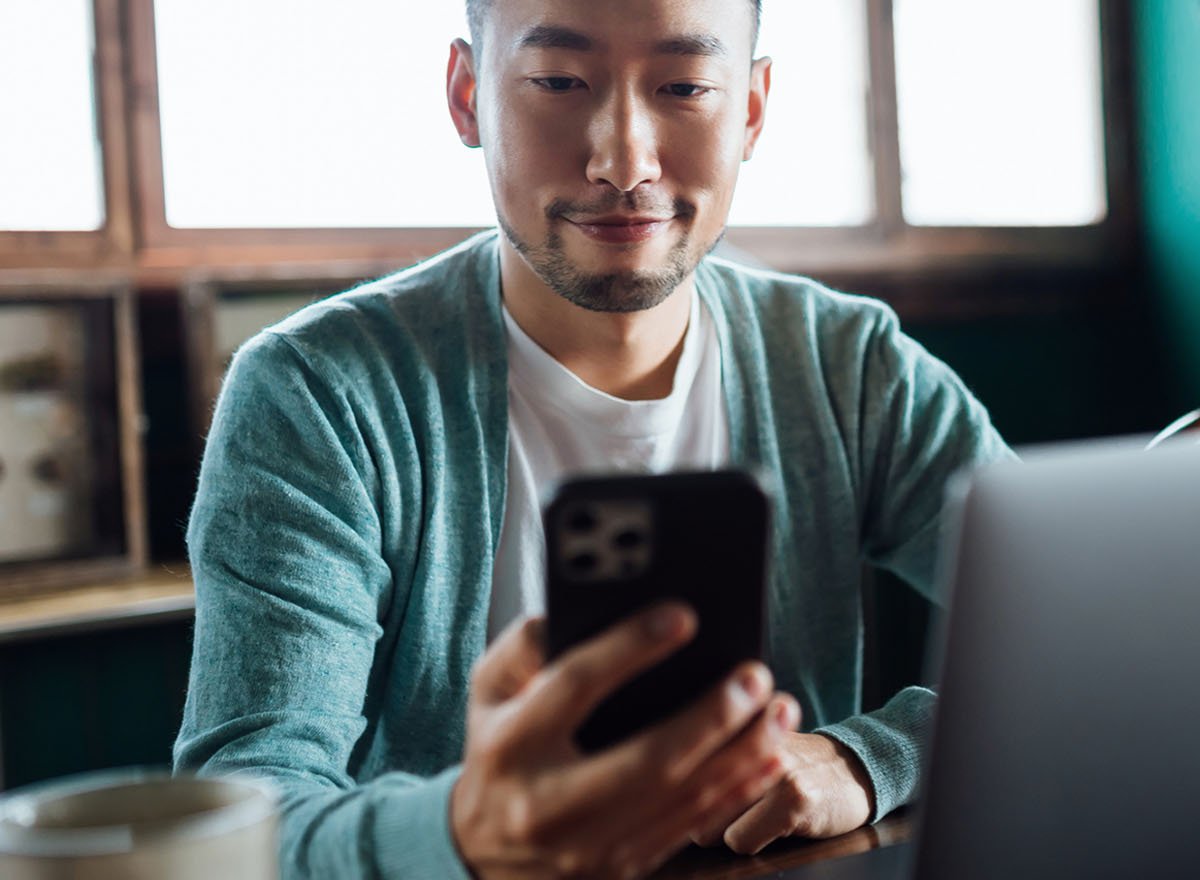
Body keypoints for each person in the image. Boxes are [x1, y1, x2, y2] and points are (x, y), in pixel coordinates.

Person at [173, 0, 1012, 876]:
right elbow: (242, 821)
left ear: (753, 109)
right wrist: (464, 834)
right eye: (558, 82)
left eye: (685, 85)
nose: (623, 161)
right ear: (467, 96)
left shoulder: (848, 366)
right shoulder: (317, 395)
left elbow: (1089, 652)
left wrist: (867, 758)